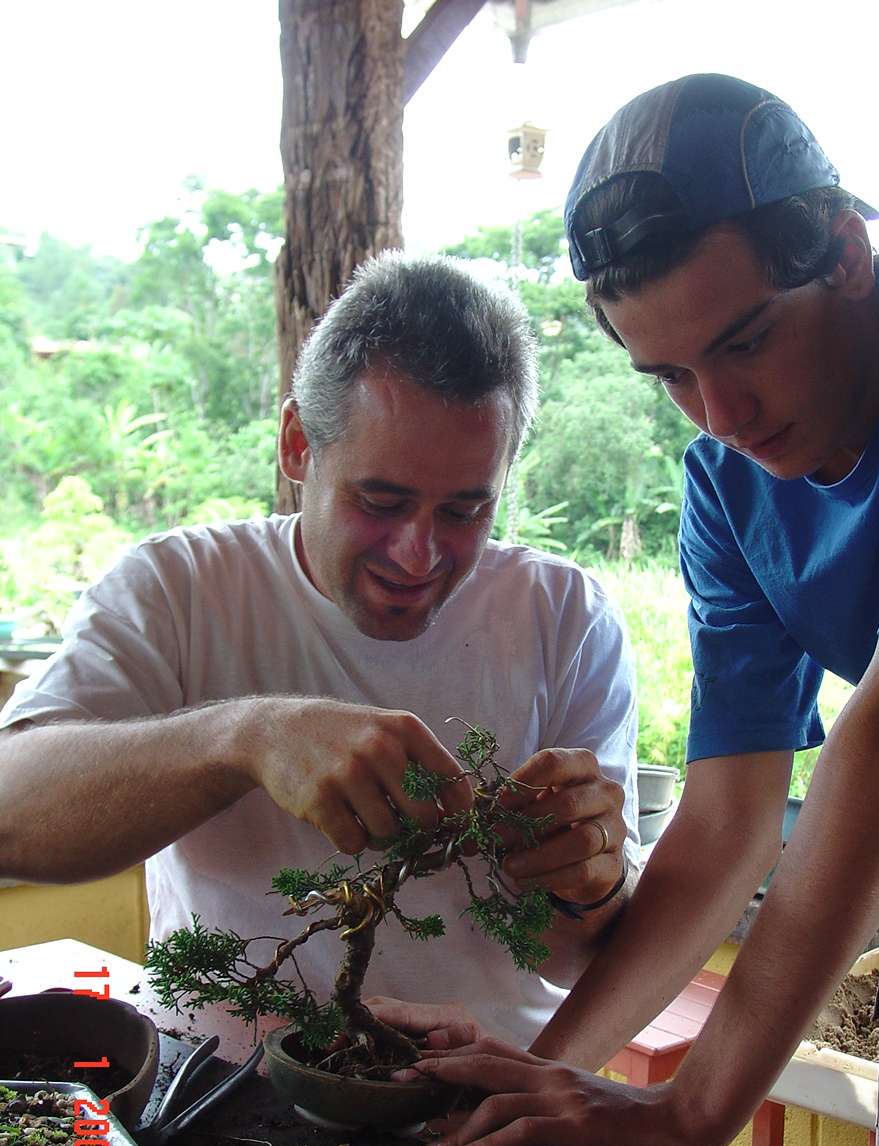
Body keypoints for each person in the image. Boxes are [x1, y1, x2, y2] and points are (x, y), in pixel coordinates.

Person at [393, 74, 879, 1146]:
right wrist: (548, 1082)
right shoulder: (728, 487)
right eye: (671, 378)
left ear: (844, 252)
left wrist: (692, 1113)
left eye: (746, 340)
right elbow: (726, 821)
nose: (724, 413)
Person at [0, 251, 641, 1048]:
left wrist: (587, 881)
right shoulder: (179, 590)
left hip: (484, 1112)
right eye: (381, 500)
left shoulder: (563, 617)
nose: (418, 554)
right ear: (298, 445)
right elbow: (12, 813)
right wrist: (243, 739)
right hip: (222, 1099)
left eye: (465, 512)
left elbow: (579, 956)